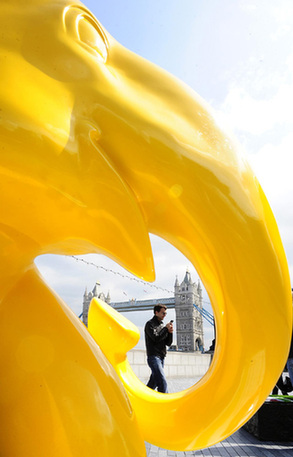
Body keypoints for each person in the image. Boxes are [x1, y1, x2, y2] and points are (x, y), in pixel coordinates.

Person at [144, 304, 173, 393]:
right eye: (163, 313)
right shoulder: (150, 324)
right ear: (156, 312)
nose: (164, 315)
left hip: (161, 357)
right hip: (153, 357)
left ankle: (144, 398)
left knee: (153, 384)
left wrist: (170, 332)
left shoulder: (162, 325)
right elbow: (156, 338)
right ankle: (166, 403)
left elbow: (168, 343)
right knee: (162, 381)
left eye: (165, 313)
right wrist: (165, 329)